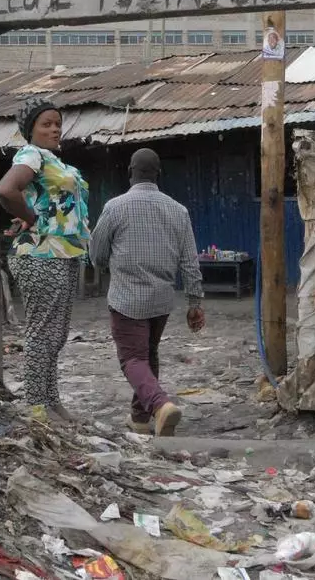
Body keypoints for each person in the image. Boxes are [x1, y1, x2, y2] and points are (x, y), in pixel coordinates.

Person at [90, 148, 205, 437]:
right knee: (148, 354)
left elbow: (97, 255)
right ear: (158, 175)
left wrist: (109, 265)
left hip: (126, 299)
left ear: (130, 172)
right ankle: (140, 419)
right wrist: (195, 302)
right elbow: (190, 261)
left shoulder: (115, 207)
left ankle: (160, 405)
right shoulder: (178, 210)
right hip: (161, 301)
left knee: (132, 359)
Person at [0, 97, 90, 421]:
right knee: (42, 332)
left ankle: (52, 401)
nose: (55, 129)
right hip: (40, 253)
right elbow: (6, 190)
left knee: (57, 334)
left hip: (64, 252)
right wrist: (31, 218)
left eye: (57, 124)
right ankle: (36, 406)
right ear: (30, 130)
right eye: (46, 124)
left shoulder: (53, 160)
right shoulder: (31, 154)